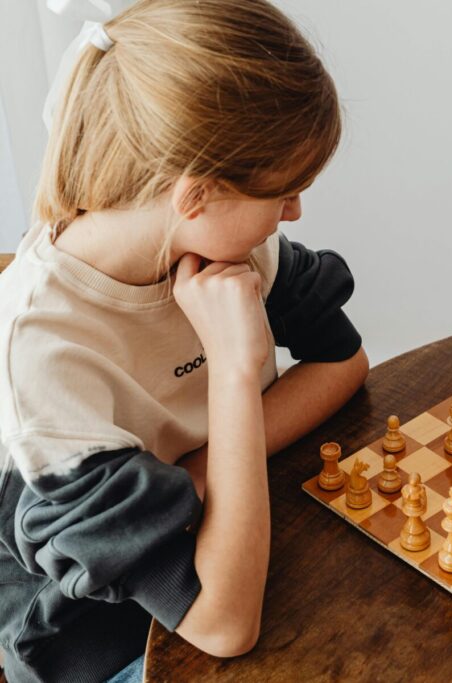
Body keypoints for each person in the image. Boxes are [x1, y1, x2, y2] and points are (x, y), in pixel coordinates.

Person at [0, 1, 369, 680]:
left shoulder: (225, 245)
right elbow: (225, 625)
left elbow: (343, 362)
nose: (294, 212)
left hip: (244, 553)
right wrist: (233, 368)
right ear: (196, 194)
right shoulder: (44, 355)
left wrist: (197, 478)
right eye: (284, 191)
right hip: (105, 642)